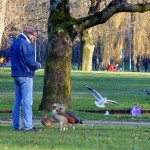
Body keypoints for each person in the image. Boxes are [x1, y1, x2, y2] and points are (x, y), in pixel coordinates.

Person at [10, 26, 41, 131]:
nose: (34, 39)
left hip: (16, 74)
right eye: (34, 37)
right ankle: (28, 126)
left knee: (17, 101)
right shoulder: (26, 44)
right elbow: (30, 62)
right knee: (27, 101)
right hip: (25, 75)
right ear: (30, 35)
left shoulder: (14, 43)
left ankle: (16, 125)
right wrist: (38, 65)